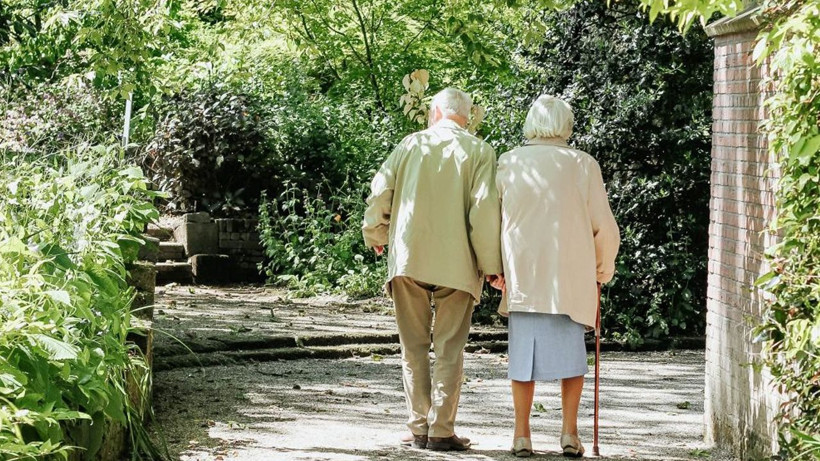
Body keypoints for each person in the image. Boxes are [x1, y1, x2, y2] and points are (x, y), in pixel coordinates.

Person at [362, 88, 503, 452]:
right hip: (458, 263)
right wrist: (492, 267)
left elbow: (381, 192)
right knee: (449, 348)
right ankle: (441, 430)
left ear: (436, 111)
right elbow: (484, 212)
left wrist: (375, 232)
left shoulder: (409, 145)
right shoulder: (480, 151)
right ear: (467, 117)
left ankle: (418, 427)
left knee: (413, 347)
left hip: (410, 258)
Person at [492, 95, 620, 458]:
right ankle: (569, 433)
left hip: (525, 275)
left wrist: (495, 269)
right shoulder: (583, 165)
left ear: (531, 122)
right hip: (571, 277)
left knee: (522, 358)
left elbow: (493, 221)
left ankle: (521, 434)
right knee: (572, 358)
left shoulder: (509, 162)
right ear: (567, 125)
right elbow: (605, 229)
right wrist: (601, 269)